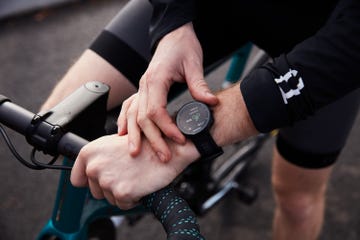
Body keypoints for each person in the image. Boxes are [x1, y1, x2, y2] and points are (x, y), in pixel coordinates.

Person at [40, 0, 360, 239]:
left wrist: (186, 142)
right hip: (209, 7)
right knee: (54, 117)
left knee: (297, 202)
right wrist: (171, 25)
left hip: (329, 39)